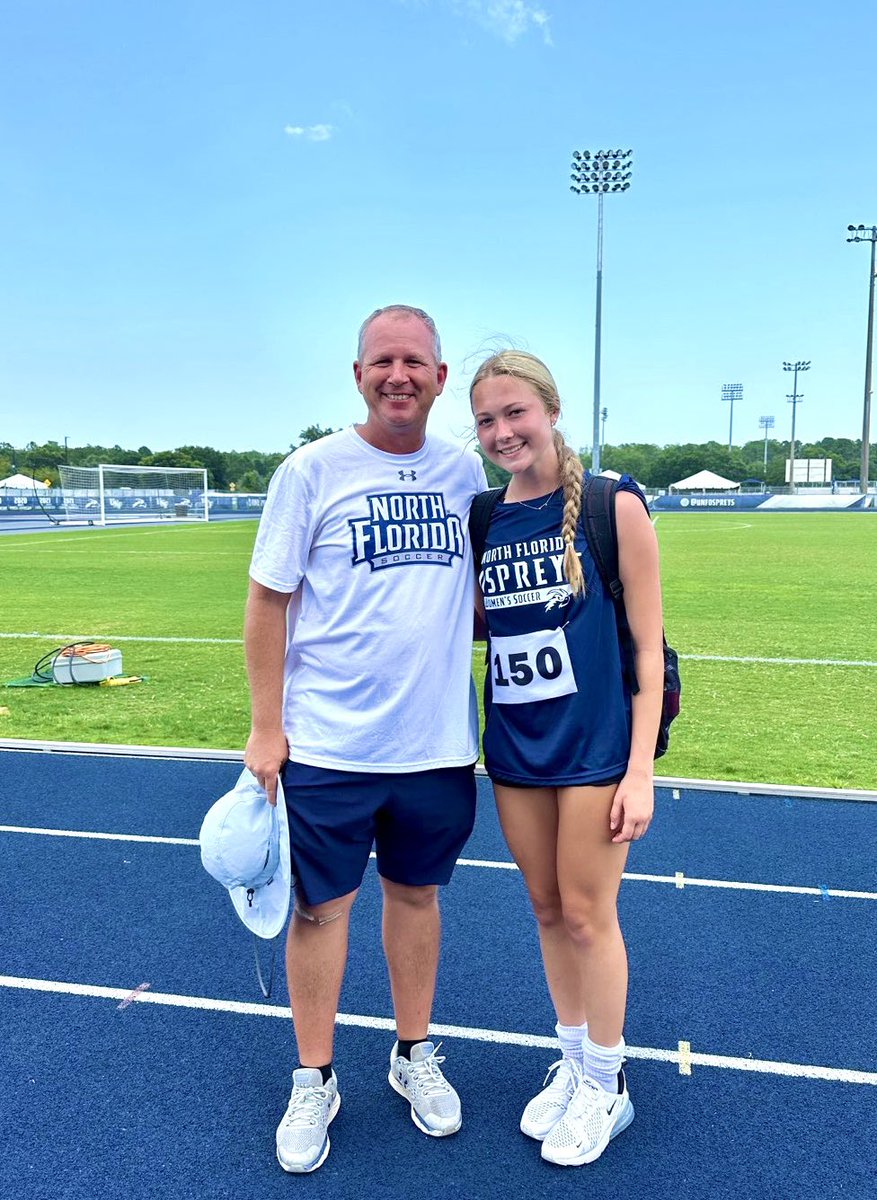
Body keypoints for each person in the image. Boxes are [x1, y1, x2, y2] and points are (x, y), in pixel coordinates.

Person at [244, 304, 487, 1174]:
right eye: (381, 360)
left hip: (435, 748)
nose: (398, 374)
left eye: (414, 361)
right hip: (328, 746)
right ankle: (314, 1076)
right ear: (357, 375)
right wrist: (265, 729)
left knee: (417, 900)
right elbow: (268, 599)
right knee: (320, 910)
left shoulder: (468, 475)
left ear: (439, 377)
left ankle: (412, 1053)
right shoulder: (311, 470)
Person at [469, 350, 664, 1167]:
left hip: (593, 752)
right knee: (547, 910)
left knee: (588, 914)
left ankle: (607, 1086)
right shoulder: (482, 516)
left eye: (515, 412)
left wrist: (641, 768)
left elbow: (648, 650)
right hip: (515, 748)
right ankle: (574, 1059)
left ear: (549, 409)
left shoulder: (612, 505)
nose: (502, 431)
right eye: (485, 420)